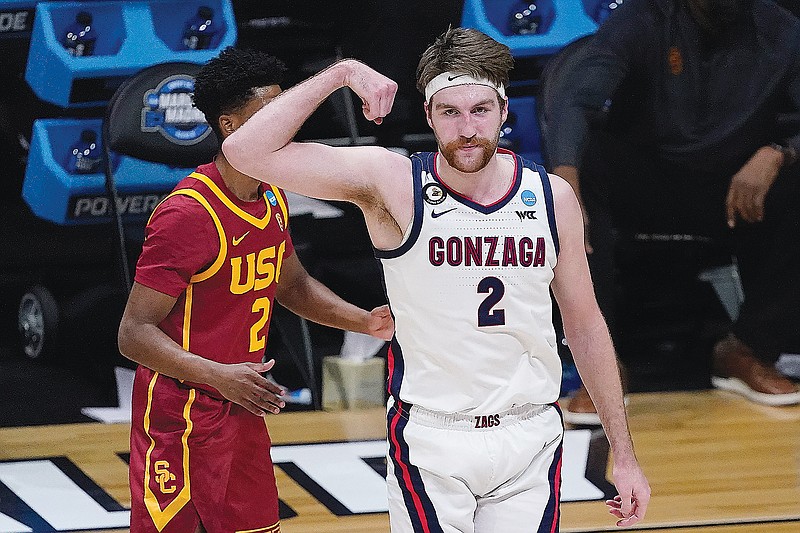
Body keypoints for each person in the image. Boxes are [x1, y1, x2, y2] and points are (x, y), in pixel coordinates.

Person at [223, 27, 650, 531]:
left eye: (480, 110)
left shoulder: (552, 197)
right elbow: (245, 152)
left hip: (531, 433)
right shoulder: (394, 183)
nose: (467, 128)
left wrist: (623, 454)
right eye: (450, 112)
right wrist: (340, 74)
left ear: (505, 110)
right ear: (428, 115)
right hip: (433, 439)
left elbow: (584, 325)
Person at [117, 47, 393, 533]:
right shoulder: (188, 214)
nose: (286, 124)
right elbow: (133, 334)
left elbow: (293, 286)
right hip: (180, 414)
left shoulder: (271, 195)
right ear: (230, 125)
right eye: (270, 114)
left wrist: (365, 321)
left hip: (242, 405)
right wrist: (218, 375)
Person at [544, 0, 800, 422]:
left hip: (735, 186)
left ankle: (746, 349)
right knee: (574, 179)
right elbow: (576, 98)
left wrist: (778, 152)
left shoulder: (782, 29)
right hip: (644, 183)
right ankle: (602, 365)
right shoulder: (642, 18)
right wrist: (566, 184)